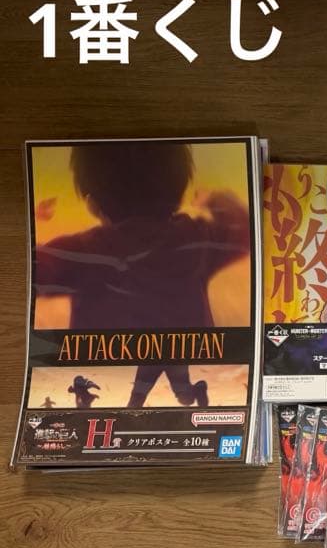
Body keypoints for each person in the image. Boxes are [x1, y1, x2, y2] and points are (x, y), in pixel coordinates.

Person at [35, 142, 250, 408]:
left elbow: (34, 274)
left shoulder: (81, 251)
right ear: (177, 192)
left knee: (136, 399)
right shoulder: (196, 239)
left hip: (122, 363)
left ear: (92, 204)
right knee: (179, 396)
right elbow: (242, 226)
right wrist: (213, 198)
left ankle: (175, 397)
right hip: (183, 353)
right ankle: (197, 391)